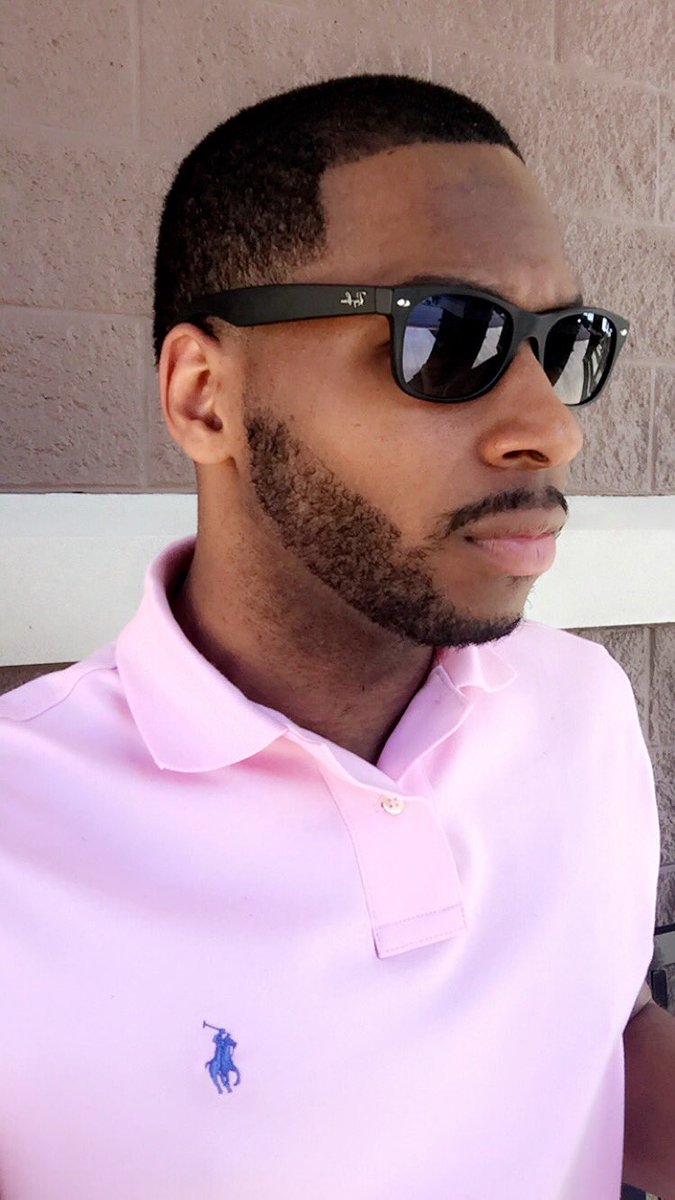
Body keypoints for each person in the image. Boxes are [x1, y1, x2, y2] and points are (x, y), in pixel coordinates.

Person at [1, 73, 673, 1200]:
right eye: (446, 336)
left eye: (564, 344)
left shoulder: (580, 701)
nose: (550, 428)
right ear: (205, 397)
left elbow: (600, 1037)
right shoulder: (22, 838)